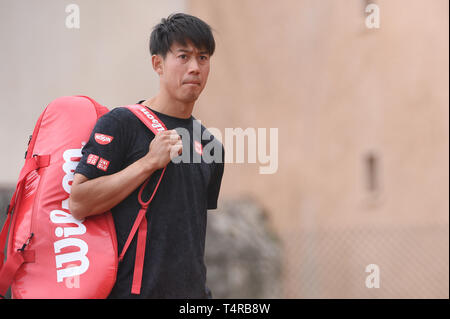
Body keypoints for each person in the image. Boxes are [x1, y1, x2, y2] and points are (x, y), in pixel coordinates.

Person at [69, 13, 224, 299]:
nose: (195, 67)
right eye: (183, 56)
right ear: (158, 64)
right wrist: (148, 163)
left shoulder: (210, 144)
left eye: (203, 58)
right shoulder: (122, 123)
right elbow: (79, 202)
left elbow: (191, 234)